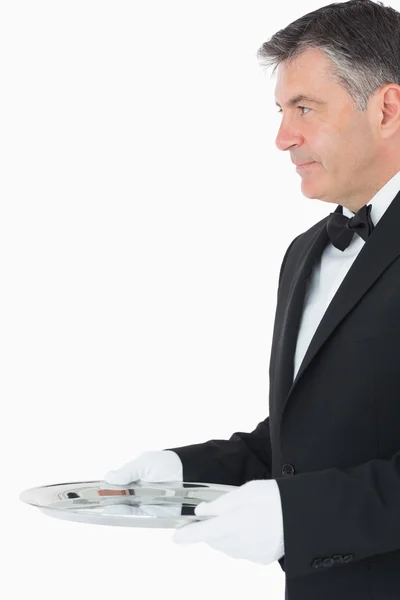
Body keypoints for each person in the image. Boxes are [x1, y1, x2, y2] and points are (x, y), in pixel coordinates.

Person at [103, 1, 400, 598]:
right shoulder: (304, 253)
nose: (282, 137)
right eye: (282, 110)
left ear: (387, 108)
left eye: (305, 109)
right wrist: (188, 473)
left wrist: (300, 515)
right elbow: (308, 442)